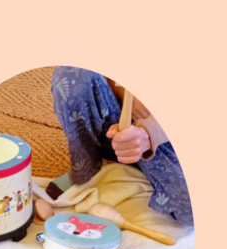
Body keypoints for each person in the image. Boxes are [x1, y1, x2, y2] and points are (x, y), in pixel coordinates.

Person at [49, 67, 193, 226]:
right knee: (70, 73)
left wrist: (150, 133)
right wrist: (124, 89)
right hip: (116, 128)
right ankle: (85, 166)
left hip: (169, 141)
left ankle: (152, 167)